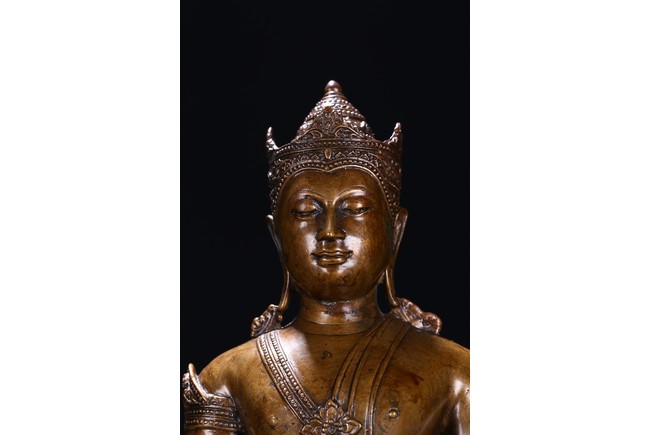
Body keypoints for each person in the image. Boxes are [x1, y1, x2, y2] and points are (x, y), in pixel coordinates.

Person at [182, 81, 469, 434]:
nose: (330, 230)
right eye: (306, 211)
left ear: (395, 231)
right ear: (277, 237)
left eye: (355, 208)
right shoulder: (226, 378)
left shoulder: (455, 374)